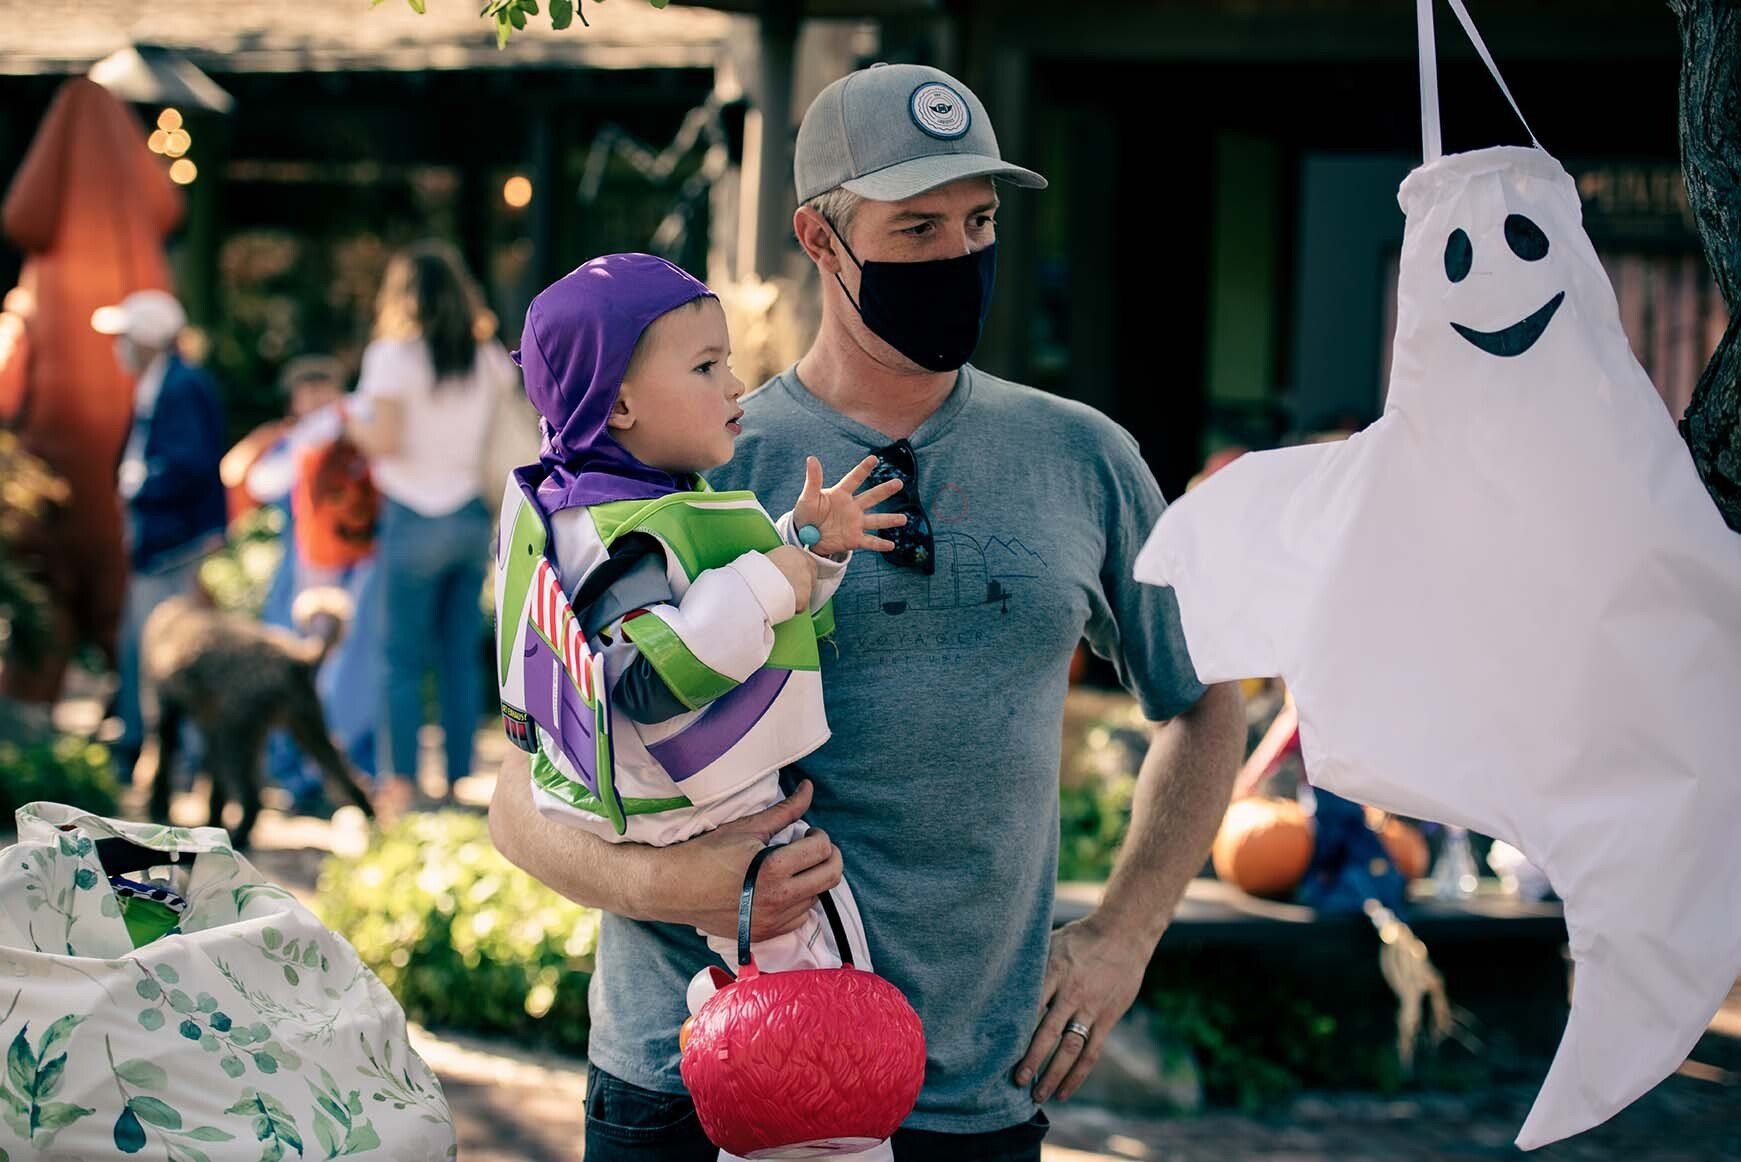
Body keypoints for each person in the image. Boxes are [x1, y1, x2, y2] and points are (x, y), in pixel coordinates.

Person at [490, 63, 1245, 1162]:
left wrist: (1124, 935)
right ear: (819, 236)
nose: (958, 257)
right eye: (917, 227)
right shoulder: (679, 461)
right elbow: (521, 790)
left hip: (970, 1089)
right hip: (698, 1080)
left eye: (979, 221)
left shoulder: (1083, 457)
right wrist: (665, 881)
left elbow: (1203, 702)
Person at [499, 255, 905, 1096]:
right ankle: (808, 1127)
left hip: (691, 800)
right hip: (696, 805)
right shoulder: (613, 530)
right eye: (705, 367)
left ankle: (762, 1072)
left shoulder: (629, 500)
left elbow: (725, 599)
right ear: (617, 403)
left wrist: (803, 552)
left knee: (798, 970)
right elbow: (642, 675)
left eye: (728, 361)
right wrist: (768, 578)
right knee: (820, 972)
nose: (736, 386)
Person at [347, 242, 514, 818]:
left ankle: (401, 785)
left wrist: (349, 421)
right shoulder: (488, 358)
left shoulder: (392, 357)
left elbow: (386, 442)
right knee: (458, 656)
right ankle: (460, 780)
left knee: (400, 658)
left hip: (411, 515)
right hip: (469, 516)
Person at [95, 289, 227, 782]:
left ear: (150, 338)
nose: (118, 345)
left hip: (173, 544)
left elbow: (190, 462)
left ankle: (174, 761)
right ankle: (147, 749)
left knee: (169, 655)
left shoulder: (182, 385)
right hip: (159, 541)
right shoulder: (162, 381)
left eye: (125, 335)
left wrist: (140, 486)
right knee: (143, 648)